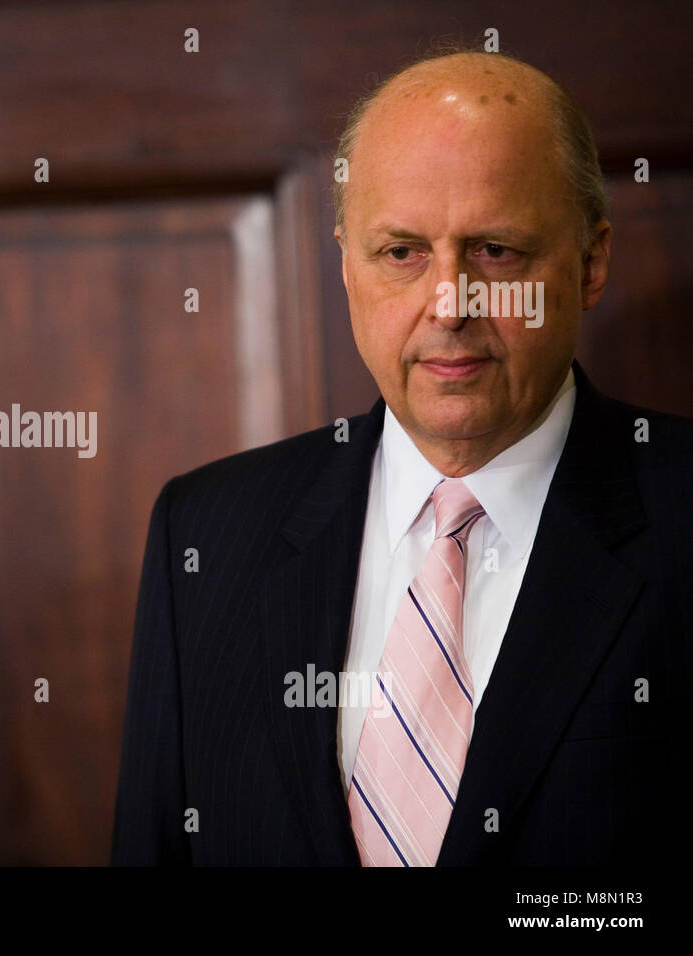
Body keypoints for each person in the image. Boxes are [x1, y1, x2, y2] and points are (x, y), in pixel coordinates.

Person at [112, 50, 690, 865]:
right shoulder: (203, 537)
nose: (448, 304)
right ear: (348, 263)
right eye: (402, 253)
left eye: (495, 251)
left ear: (590, 263)